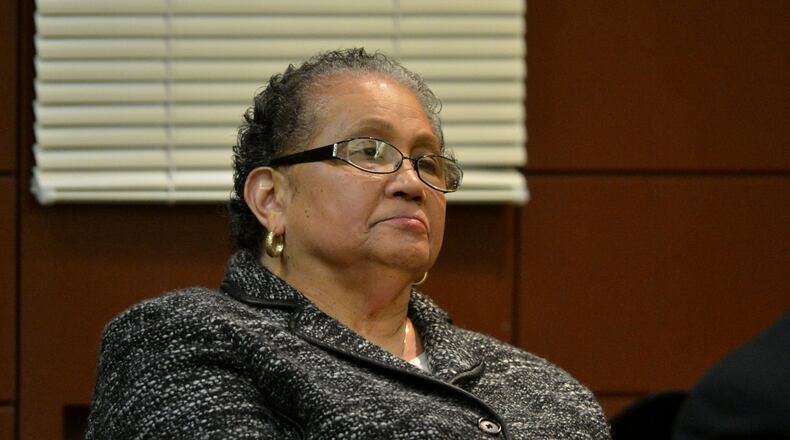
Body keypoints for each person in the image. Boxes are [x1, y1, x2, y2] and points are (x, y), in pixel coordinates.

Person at [84, 48, 610, 439]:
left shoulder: (546, 390)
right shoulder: (182, 339)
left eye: (428, 161)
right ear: (272, 198)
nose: (411, 182)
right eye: (368, 151)